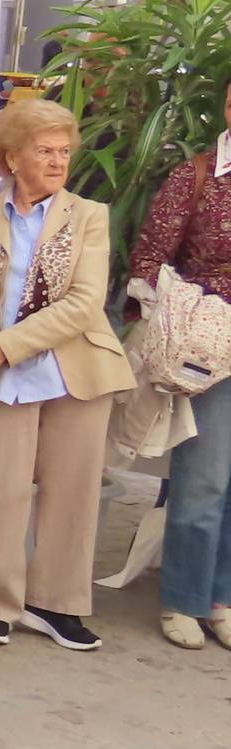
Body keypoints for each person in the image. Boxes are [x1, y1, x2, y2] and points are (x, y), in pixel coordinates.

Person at [0, 98, 131, 651]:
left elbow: (85, 304)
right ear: (12, 157)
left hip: (76, 371)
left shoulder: (89, 215)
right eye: (45, 151)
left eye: (64, 151)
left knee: (72, 494)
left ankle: (56, 605)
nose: (58, 161)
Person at [130, 78, 231, 648]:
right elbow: (148, 262)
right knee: (205, 480)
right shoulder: (195, 176)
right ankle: (185, 599)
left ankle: (222, 598)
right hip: (210, 351)